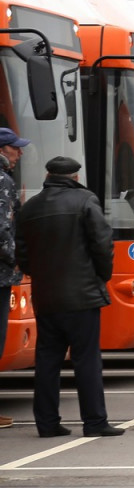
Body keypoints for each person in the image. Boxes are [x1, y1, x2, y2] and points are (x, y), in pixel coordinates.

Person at [15, 156, 123, 437]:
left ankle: (48, 424)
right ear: (75, 176)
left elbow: (22, 255)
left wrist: (40, 275)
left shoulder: (30, 207)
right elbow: (102, 245)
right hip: (82, 295)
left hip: (46, 296)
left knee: (47, 361)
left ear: (48, 175)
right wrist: (102, 276)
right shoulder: (86, 201)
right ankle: (94, 422)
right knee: (86, 359)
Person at [0, 127, 30, 431]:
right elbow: (2, 230)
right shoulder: (2, 181)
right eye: (14, 148)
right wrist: (16, 259)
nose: (19, 153)